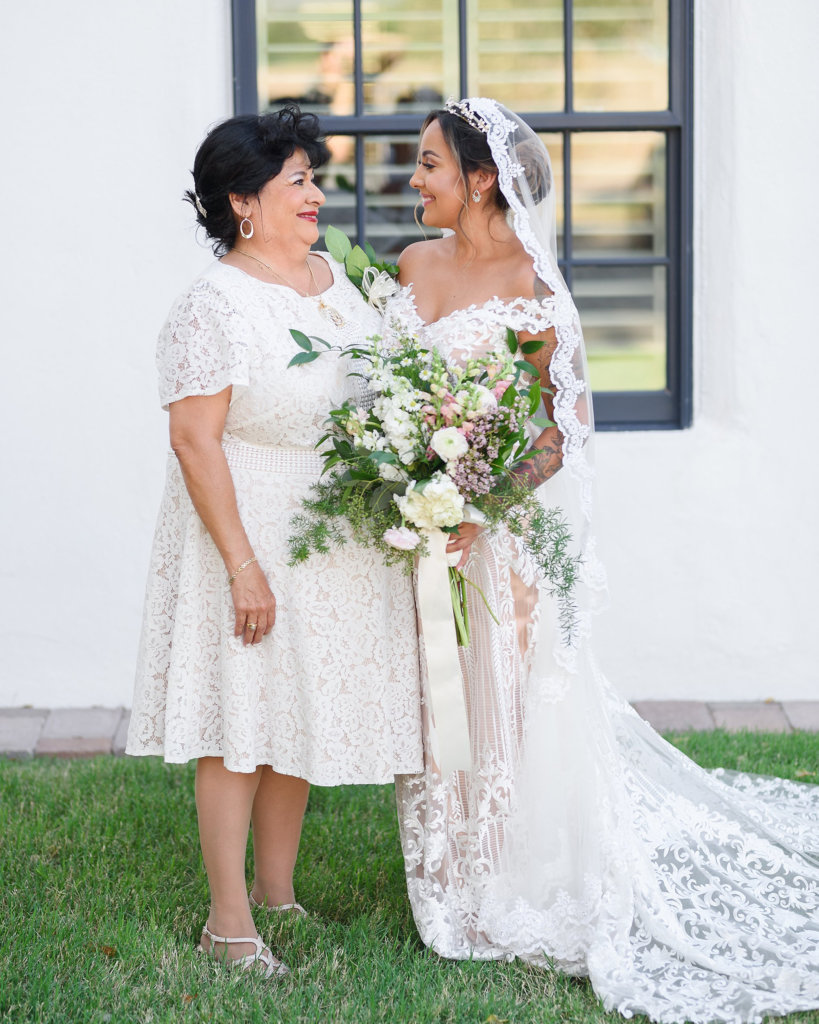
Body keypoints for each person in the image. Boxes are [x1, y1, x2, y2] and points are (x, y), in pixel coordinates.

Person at [384, 98, 819, 1023]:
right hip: (419, 528)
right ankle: (448, 876)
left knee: (508, 699)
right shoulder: (412, 265)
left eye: (426, 164)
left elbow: (561, 429)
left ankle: (511, 877)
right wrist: (405, 475)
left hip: (500, 535)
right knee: (438, 694)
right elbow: (382, 390)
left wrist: (477, 504)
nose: (411, 181)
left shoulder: (538, 290)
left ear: (481, 178)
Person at [126, 107, 423, 979]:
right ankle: (226, 922)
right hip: (243, 524)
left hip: (331, 529)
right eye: (295, 180)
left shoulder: (341, 282)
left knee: (297, 706)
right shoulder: (211, 305)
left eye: (312, 177)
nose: (315, 194)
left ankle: (279, 894)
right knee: (240, 717)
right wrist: (243, 566)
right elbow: (193, 440)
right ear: (241, 202)